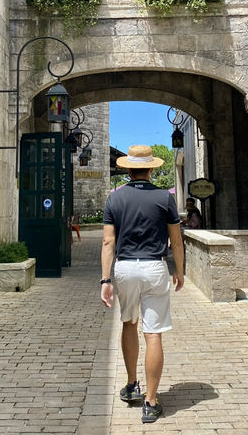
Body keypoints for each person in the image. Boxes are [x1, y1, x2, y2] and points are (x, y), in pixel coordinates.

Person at [100, 144, 184, 424]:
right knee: (154, 332)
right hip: (154, 266)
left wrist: (105, 279)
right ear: (151, 168)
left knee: (129, 323)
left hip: (125, 267)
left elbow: (108, 241)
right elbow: (176, 240)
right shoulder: (164, 198)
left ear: (127, 169)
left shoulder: (115, 198)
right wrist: (180, 271)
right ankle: (150, 400)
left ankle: (132, 383)